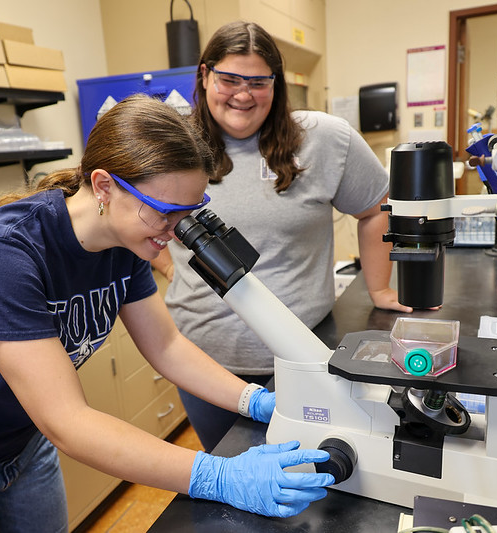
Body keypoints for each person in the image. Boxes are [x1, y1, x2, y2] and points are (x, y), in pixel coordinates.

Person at [0, 95, 335, 533]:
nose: (173, 231)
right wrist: (217, 475)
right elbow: (68, 420)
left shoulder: (127, 241)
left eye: (187, 212)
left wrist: (253, 399)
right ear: (104, 185)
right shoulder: (1, 253)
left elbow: (166, 346)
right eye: (164, 211)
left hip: (20, 445)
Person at [152, 21, 413, 453]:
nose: (243, 93)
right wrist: (171, 268)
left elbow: (376, 207)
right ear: (204, 76)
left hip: (304, 359)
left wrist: (380, 287)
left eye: (258, 81)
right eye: (229, 79)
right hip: (202, 363)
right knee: (232, 482)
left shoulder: (324, 139)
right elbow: (136, 220)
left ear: (278, 84)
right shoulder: (172, 144)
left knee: (313, 483)